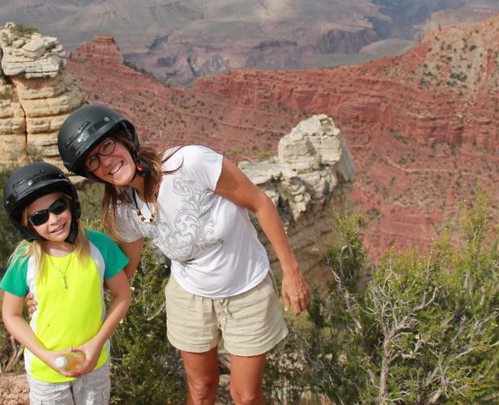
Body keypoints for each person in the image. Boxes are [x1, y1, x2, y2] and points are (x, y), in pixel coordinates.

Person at [56, 104, 311, 405]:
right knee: (201, 388)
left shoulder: (190, 162)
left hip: (247, 289)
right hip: (189, 296)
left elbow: (260, 203)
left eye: (108, 146)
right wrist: (55, 299)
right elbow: (125, 273)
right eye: (93, 160)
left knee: (245, 395)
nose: (106, 161)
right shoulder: (124, 209)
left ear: (125, 140)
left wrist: (291, 273)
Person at [0, 161, 131, 405]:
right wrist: (46, 355)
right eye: (39, 217)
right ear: (28, 225)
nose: (53, 219)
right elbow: (11, 315)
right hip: (46, 371)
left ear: (71, 204)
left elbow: (123, 295)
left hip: (94, 364)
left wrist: (96, 343)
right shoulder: (24, 260)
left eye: (58, 207)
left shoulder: (99, 246)